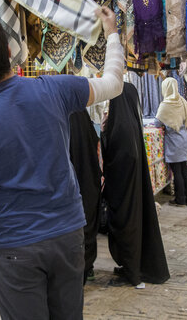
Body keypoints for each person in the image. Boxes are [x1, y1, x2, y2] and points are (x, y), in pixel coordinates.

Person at [0, 7, 124, 320]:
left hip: (14, 247)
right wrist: (112, 34)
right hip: (68, 236)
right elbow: (113, 83)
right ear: (8, 51)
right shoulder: (54, 89)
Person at [101, 83, 170, 286]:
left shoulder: (120, 127)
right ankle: (130, 268)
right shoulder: (130, 124)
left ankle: (132, 273)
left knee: (127, 228)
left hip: (124, 193)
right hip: (132, 191)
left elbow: (117, 160)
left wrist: (104, 136)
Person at [68, 110, 102, 283]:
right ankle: (88, 267)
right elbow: (94, 141)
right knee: (88, 220)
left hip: (68, 183)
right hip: (88, 178)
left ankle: (77, 270)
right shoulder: (81, 115)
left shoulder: (58, 118)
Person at [153, 78, 187, 207]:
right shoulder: (182, 101)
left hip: (173, 141)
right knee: (184, 169)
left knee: (177, 171)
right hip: (183, 138)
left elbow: (157, 123)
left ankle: (180, 199)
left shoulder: (166, 105)